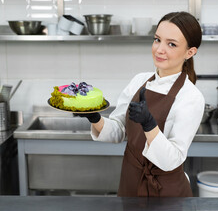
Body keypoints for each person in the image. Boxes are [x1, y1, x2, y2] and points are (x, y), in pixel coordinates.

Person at [79, 11, 205, 197]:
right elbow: (119, 130)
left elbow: (173, 160)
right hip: (130, 180)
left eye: (171, 44)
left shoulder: (191, 97)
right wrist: (95, 117)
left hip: (165, 191)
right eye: (157, 40)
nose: (159, 49)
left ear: (190, 52)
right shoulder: (139, 80)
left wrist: (149, 125)